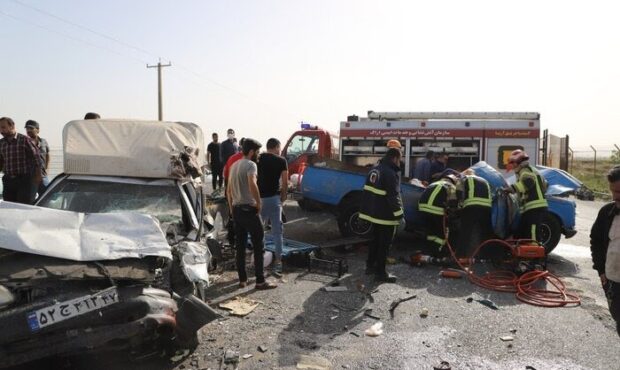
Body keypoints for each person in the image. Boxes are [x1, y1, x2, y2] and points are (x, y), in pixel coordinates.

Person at [226, 138, 277, 290]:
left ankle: (242, 280)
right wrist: (258, 203)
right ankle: (260, 281)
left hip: (236, 210)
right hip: (249, 209)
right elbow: (252, 183)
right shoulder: (251, 165)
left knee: (240, 247)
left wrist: (231, 209)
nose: (259, 155)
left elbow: (228, 191)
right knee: (258, 245)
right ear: (252, 152)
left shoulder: (234, 165)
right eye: (258, 152)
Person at [359, 147, 404, 283]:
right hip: (385, 216)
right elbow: (393, 196)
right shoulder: (390, 173)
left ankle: (370, 266)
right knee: (384, 245)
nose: (399, 163)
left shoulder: (375, 169)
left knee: (374, 241)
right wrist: (400, 215)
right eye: (399, 160)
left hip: (373, 213)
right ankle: (380, 274)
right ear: (395, 158)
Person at [590, 165, 620, 337]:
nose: (615, 196)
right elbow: (596, 241)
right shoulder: (606, 213)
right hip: (612, 282)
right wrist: (601, 271)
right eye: (613, 191)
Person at [257, 138, 289, 276]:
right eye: (279, 148)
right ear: (276, 147)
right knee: (277, 232)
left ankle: (259, 260)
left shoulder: (258, 159)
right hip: (274, 199)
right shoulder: (281, 160)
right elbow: (285, 182)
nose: (280, 150)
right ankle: (278, 262)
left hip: (260, 199)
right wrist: (283, 197)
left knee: (259, 231)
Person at [506, 149, 549, 243]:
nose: (512, 166)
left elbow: (528, 182)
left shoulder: (525, 170)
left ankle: (535, 251)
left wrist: (511, 189)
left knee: (532, 231)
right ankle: (527, 252)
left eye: (512, 163)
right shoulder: (531, 170)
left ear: (518, 162)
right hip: (532, 207)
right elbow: (545, 185)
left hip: (534, 206)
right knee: (523, 229)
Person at [0, 117, 43, 204]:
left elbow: (37, 158)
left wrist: (38, 174)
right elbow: (1, 160)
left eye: (3, 127)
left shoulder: (24, 140)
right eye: (0, 128)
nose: (1, 130)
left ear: (12, 126)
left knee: (23, 207)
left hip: (25, 180)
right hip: (9, 180)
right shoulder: (1, 143)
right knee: (9, 207)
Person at [418, 173, 459, 255]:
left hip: (422, 208)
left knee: (430, 231)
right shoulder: (451, 186)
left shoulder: (434, 183)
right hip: (436, 210)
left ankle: (427, 250)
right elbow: (453, 204)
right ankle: (437, 252)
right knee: (443, 232)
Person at [457, 169, 493, 257]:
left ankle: (461, 256)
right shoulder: (484, 180)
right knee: (485, 233)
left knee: (466, 232)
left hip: (471, 206)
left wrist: (459, 206)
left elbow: (458, 192)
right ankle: (486, 256)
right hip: (487, 208)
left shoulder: (464, 178)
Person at [24, 120, 50, 196]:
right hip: (30, 176)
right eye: (27, 129)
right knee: (30, 199)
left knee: (47, 196)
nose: (28, 131)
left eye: (31, 128)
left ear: (38, 130)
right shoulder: (24, 142)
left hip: (43, 175)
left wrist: (47, 168)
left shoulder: (43, 141)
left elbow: (47, 154)